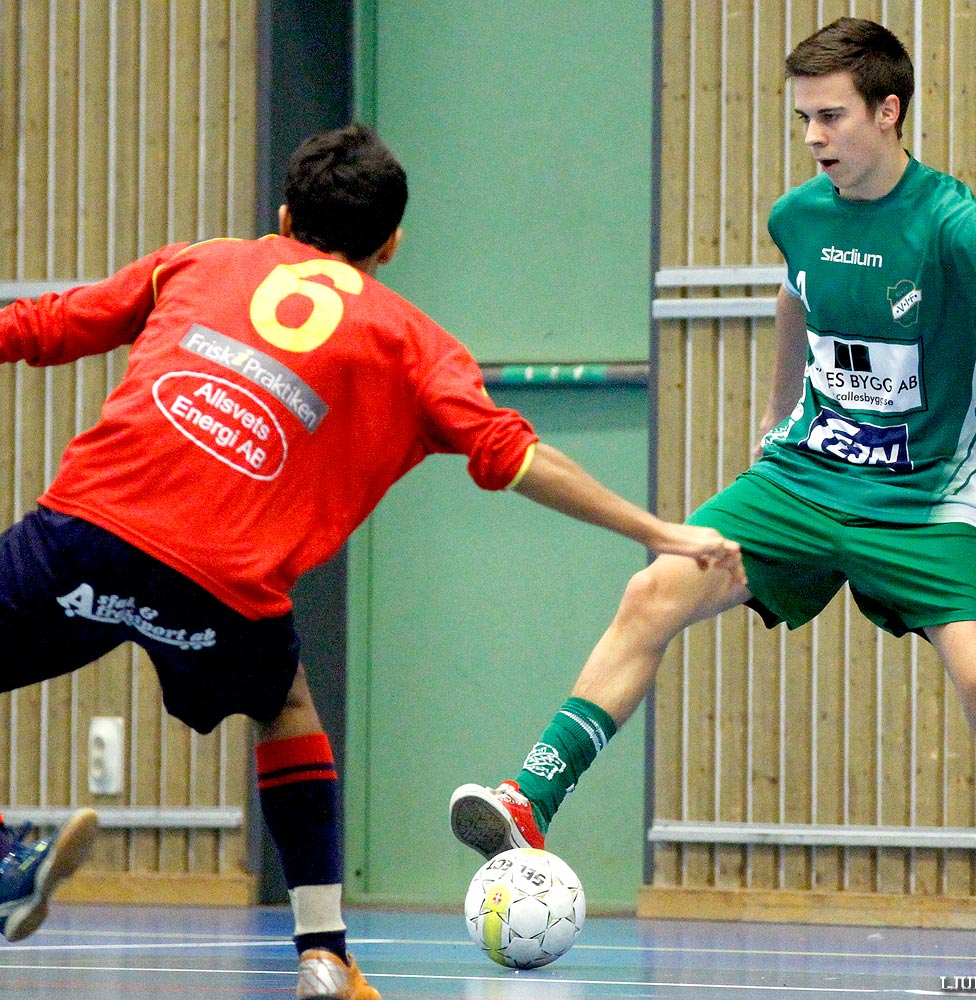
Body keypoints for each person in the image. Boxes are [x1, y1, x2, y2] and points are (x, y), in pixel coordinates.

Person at [0, 123, 743, 1000]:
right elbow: (513, 458)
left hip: (83, 531)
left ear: (282, 214)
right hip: (225, 586)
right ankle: (324, 954)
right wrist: (656, 529)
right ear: (391, 242)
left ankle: (10, 861)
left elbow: (43, 326)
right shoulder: (411, 342)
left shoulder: (197, 262)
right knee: (284, 706)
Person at [450, 17, 976, 969]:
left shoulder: (951, 221)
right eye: (803, 116)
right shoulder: (798, 215)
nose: (813, 134)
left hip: (925, 501)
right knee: (653, 590)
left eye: (831, 116)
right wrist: (774, 420)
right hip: (801, 478)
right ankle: (532, 797)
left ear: (888, 113)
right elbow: (795, 295)